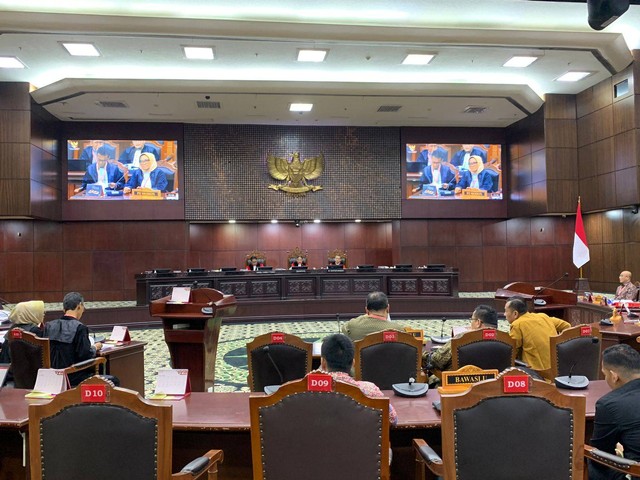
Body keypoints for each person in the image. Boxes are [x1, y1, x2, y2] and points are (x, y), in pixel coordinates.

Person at [319, 333, 397, 425]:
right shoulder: (370, 390)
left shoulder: (306, 391)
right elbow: (393, 420)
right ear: (353, 363)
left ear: (323, 362)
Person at [589, 344, 640, 480]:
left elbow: (600, 454)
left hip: (636, 472)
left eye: (604, 374)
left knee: (591, 461)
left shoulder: (609, 404)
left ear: (614, 376)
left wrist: (619, 453)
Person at [43, 292, 104, 386]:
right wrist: (95, 347)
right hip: (73, 376)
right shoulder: (80, 328)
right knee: (112, 380)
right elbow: (85, 355)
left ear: (64, 308)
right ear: (79, 306)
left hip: (51, 376)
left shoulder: (49, 326)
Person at [424, 304, 498, 375]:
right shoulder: (506, 341)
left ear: (478, 322)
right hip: (494, 385)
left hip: (457, 385)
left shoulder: (461, 339)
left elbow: (435, 361)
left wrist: (423, 354)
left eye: (472, 319)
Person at [504, 296, 571, 371]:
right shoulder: (543, 317)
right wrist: (560, 345)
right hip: (556, 370)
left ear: (515, 313)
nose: (504, 314)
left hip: (536, 374)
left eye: (506, 311)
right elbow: (567, 326)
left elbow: (511, 352)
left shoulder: (517, 324)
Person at [0, 300, 45, 366]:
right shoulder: (35, 331)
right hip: (31, 373)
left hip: (8, 372)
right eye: (40, 312)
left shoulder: (13, 328)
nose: (43, 314)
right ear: (30, 314)